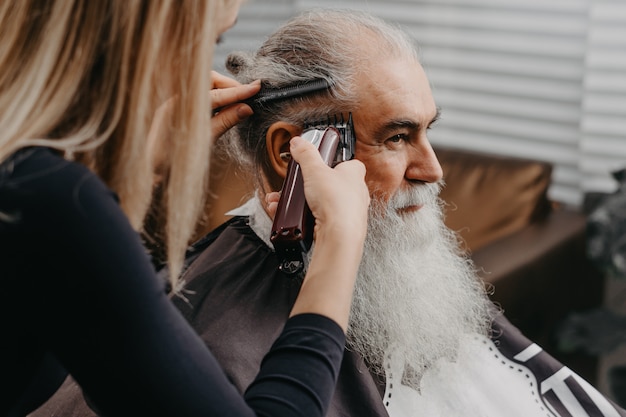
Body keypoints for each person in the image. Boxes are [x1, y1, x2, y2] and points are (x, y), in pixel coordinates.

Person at [30, 7, 626, 417]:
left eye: (429, 132)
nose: (434, 169)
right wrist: (338, 248)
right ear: (293, 153)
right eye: (397, 137)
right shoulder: (54, 211)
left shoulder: (52, 198)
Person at [0, 1, 371, 416]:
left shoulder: (28, 188)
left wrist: (132, 175)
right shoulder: (46, 203)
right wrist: (339, 240)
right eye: (212, 40)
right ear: (149, 36)